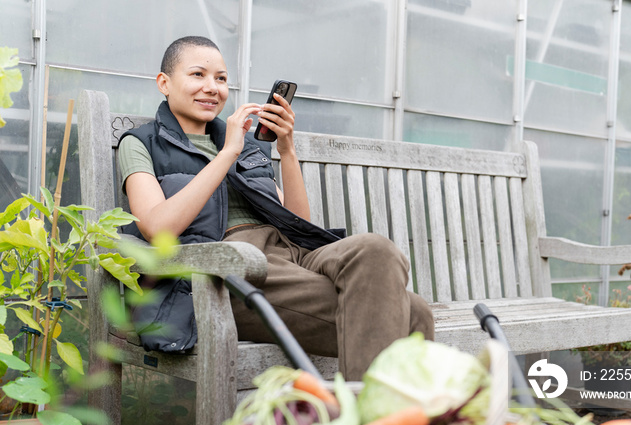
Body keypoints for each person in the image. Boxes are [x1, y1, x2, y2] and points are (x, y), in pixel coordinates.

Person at [117, 36, 434, 380]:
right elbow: (157, 228)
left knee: (375, 248)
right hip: (225, 270)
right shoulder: (141, 143)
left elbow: (297, 225)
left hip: (285, 255)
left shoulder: (249, 146)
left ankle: (365, 422)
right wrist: (227, 154)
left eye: (221, 78)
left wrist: (287, 151)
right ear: (164, 82)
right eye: (198, 74)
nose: (212, 88)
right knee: (413, 315)